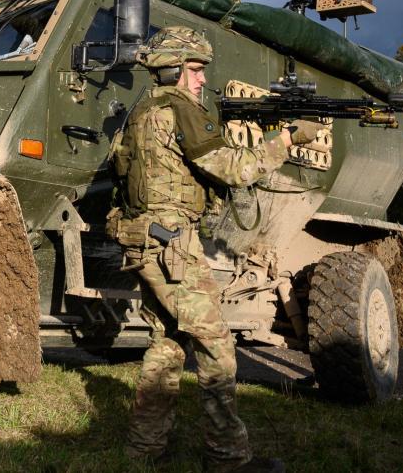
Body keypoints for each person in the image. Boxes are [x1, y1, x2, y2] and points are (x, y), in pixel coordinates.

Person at [109, 26, 311, 472]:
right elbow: (236, 169)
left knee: (166, 346)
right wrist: (287, 140)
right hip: (172, 247)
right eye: (196, 70)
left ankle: (144, 451)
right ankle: (228, 459)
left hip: (148, 243)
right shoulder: (180, 110)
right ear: (176, 68)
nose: (202, 80)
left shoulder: (142, 110)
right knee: (217, 347)